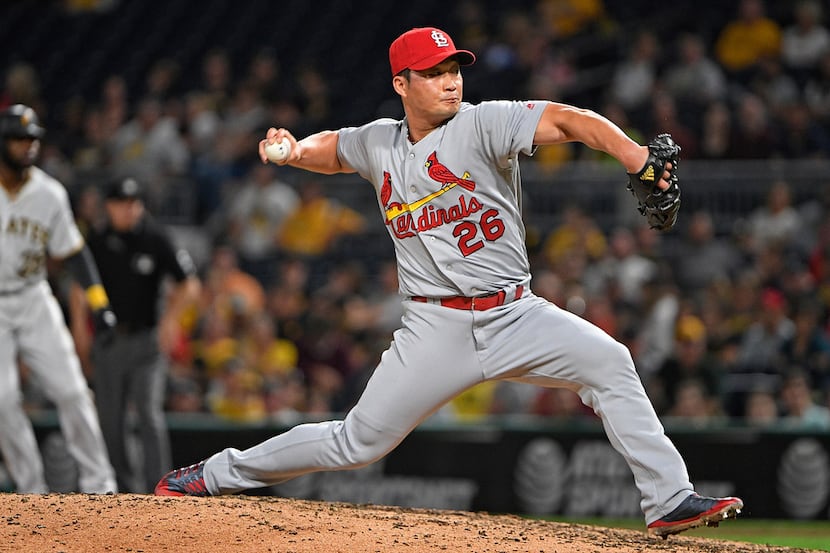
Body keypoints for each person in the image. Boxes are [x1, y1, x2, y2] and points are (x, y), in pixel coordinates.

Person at [156, 26, 743, 538]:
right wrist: (291, 151)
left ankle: (668, 499)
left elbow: (569, 120)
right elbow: (333, 149)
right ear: (401, 84)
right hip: (433, 327)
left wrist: (636, 156)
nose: (449, 81)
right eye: (432, 72)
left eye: (453, 68)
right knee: (355, 443)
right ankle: (211, 475)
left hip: (516, 314)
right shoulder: (381, 141)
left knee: (611, 362)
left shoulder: (484, 124)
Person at [0, 104, 117, 493]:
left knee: (71, 390)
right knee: (1, 401)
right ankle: (30, 491)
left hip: (33, 297)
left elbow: (75, 254)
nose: (28, 146)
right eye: (20, 139)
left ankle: (100, 486)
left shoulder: (49, 193)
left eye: (32, 139)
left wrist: (98, 301)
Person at [79, 176, 201, 493]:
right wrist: (79, 328)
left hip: (147, 340)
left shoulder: (155, 237)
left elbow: (189, 284)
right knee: (111, 417)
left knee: (149, 413)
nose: (129, 210)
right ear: (109, 206)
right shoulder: (98, 239)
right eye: (122, 203)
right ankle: (121, 488)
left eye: (134, 203)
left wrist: (169, 321)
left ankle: (160, 487)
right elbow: (80, 287)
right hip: (109, 340)